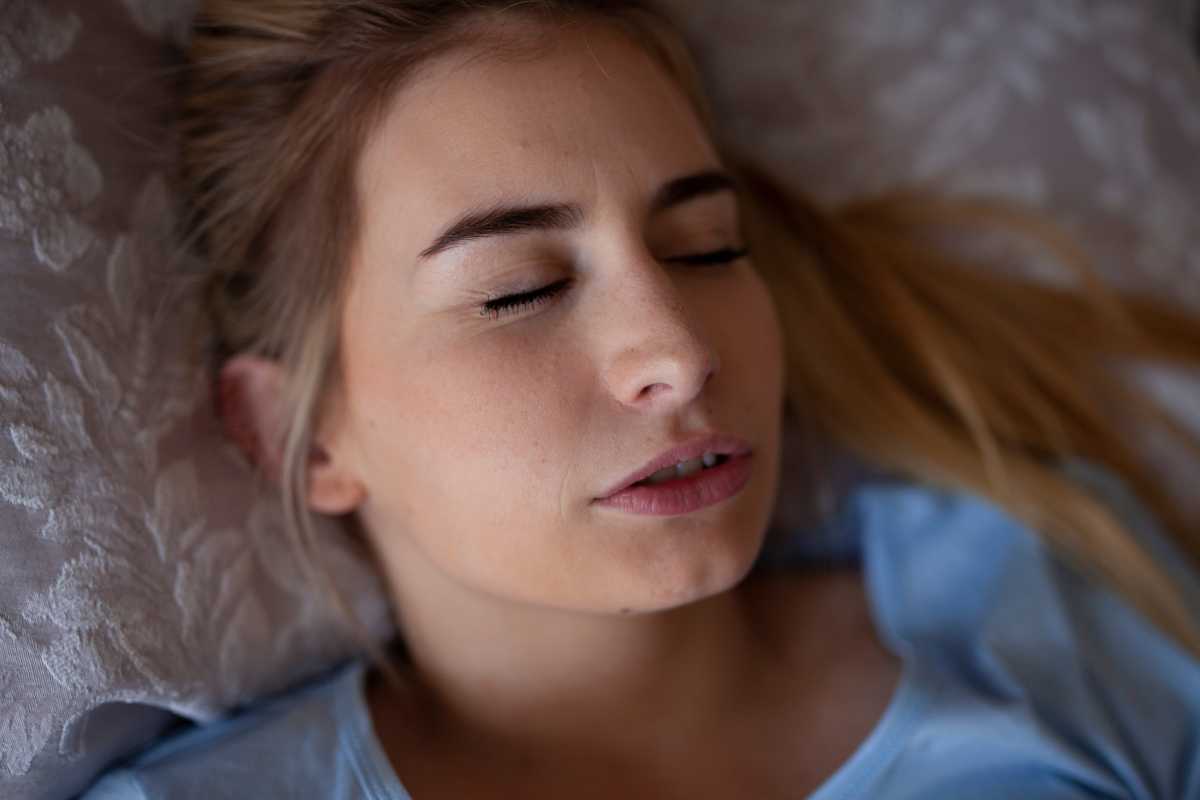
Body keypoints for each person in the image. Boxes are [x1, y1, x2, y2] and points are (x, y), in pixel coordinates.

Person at [83, 1, 1200, 797]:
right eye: (521, 290)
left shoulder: (1046, 614)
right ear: (297, 431)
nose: (677, 349)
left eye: (708, 249)